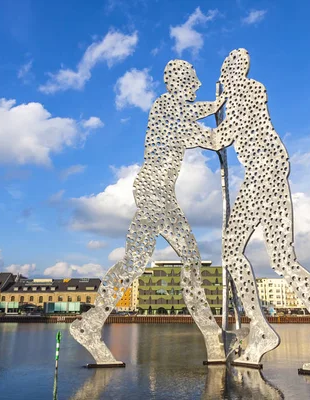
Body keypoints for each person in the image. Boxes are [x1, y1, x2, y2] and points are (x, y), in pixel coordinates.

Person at [203, 49, 310, 375]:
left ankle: (262, 330)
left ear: (232, 74)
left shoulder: (247, 91)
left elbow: (222, 136)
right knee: (283, 262)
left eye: (224, 76)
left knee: (232, 252)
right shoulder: (246, 93)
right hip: (267, 174)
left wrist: (190, 129)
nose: (223, 81)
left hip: (263, 175)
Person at [70, 60, 226, 364]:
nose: (196, 86)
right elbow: (208, 137)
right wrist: (228, 113)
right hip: (154, 192)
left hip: (160, 193)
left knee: (158, 261)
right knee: (165, 261)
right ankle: (211, 338)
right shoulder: (167, 106)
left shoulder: (175, 110)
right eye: (193, 81)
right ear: (179, 83)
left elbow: (198, 119)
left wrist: (218, 105)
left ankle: (89, 325)